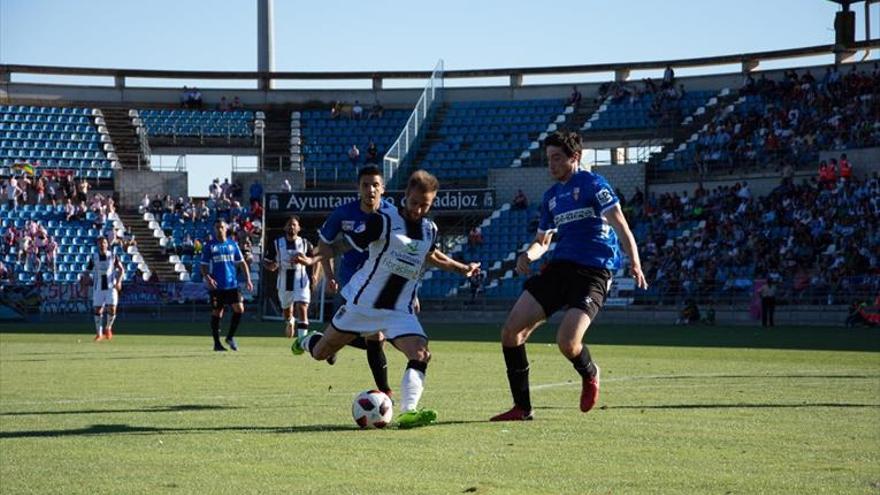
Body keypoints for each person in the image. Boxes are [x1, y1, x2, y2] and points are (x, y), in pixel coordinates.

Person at [295, 170, 481, 428]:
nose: (418, 210)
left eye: (424, 205)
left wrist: (463, 268)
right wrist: (313, 258)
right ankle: (308, 340)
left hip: (399, 311)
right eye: (414, 203)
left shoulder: (429, 229)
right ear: (406, 197)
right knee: (321, 352)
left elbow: (433, 256)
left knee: (421, 353)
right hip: (363, 305)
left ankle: (409, 411)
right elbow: (344, 246)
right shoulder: (382, 220)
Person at [490, 130, 648, 422]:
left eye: (557, 158)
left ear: (575, 158)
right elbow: (543, 242)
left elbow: (620, 224)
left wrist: (635, 262)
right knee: (511, 331)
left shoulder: (593, 184)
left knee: (567, 342)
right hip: (560, 267)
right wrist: (528, 255)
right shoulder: (551, 197)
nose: (551, 165)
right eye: (548, 159)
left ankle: (590, 372)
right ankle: (522, 408)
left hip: (593, 272)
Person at [200, 220, 254, 352]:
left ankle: (229, 337)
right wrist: (208, 278)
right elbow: (203, 265)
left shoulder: (232, 244)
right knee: (218, 312)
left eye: (222, 227)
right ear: (214, 229)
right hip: (217, 286)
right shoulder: (210, 246)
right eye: (217, 227)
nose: (219, 229)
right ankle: (217, 343)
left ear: (226, 229)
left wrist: (248, 279)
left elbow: (242, 263)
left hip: (232, 284)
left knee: (239, 309)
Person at [264, 216, 320, 339]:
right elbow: (267, 261)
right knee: (287, 311)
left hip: (301, 279)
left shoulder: (305, 243)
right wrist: (271, 266)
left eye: (294, 224)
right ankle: (290, 321)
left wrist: (315, 275)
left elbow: (316, 259)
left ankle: (301, 341)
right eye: (289, 224)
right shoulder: (277, 243)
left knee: (302, 307)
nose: (291, 227)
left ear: (299, 228)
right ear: (285, 228)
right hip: (284, 279)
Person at [81, 237, 125, 341]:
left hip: (111, 287)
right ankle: (99, 334)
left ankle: (108, 328)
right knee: (98, 310)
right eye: (100, 243)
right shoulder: (94, 257)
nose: (102, 245)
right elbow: (87, 271)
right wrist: (85, 281)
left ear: (107, 244)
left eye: (104, 243)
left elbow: (121, 269)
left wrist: (119, 281)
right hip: (98, 288)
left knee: (112, 308)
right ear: (97, 245)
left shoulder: (112, 256)